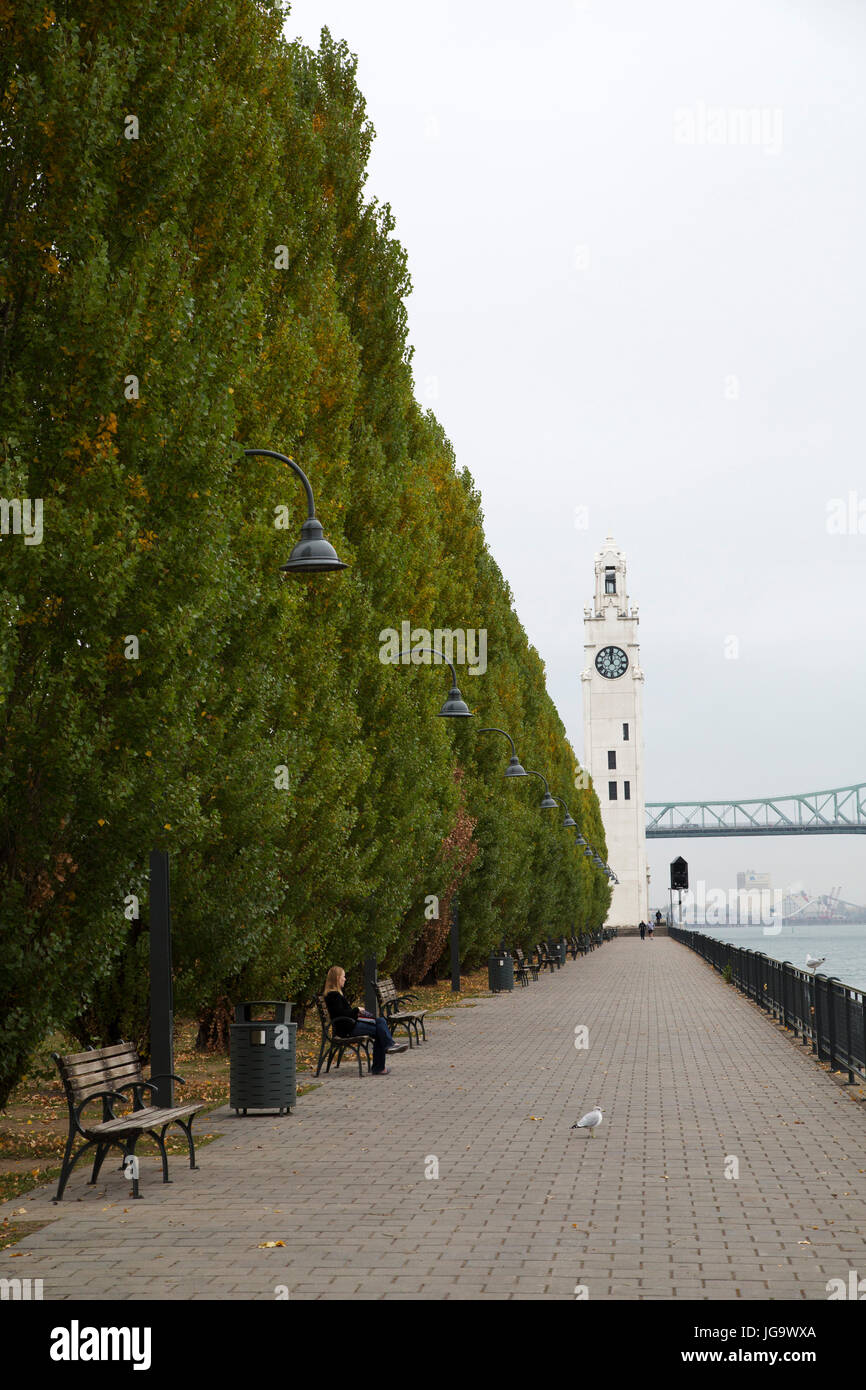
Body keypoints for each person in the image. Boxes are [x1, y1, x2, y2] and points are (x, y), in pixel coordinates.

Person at [324, 966, 408, 1076]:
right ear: (337, 978)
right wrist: (357, 1010)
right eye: (343, 977)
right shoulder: (333, 996)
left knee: (380, 1021)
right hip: (347, 1029)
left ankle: (388, 1048)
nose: (345, 979)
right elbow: (341, 1014)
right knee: (380, 1030)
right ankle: (385, 1055)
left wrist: (357, 1012)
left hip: (350, 1025)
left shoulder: (335, 995)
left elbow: (343, 1013)